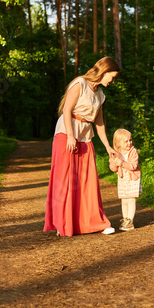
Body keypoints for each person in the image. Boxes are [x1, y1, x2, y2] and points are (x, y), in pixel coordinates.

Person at [44, 56, 120, 237]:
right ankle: (63, 223)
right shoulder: (80, 83)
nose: (113, 81)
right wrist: (70, 136)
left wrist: (108, 147)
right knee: (65, 179)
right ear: (104, 71)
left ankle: (96, 222)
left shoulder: (100, 95)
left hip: (85, 137)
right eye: (113, 76)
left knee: (88, 180)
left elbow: (99, 124)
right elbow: (67, 110)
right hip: (66, 133)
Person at [109, 128, 142, 231]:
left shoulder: (133, 152)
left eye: (130, 140)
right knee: (124, 199)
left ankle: (130, 220)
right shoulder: (116, 153)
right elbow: (113, 169)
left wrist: (123, 163)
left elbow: (134, 165)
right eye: (126, 141)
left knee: (131, 199)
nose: (129, 143)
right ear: (118, 143)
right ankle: (125, 218)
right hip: (123, 179)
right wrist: (113, 162)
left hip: (132, 179)